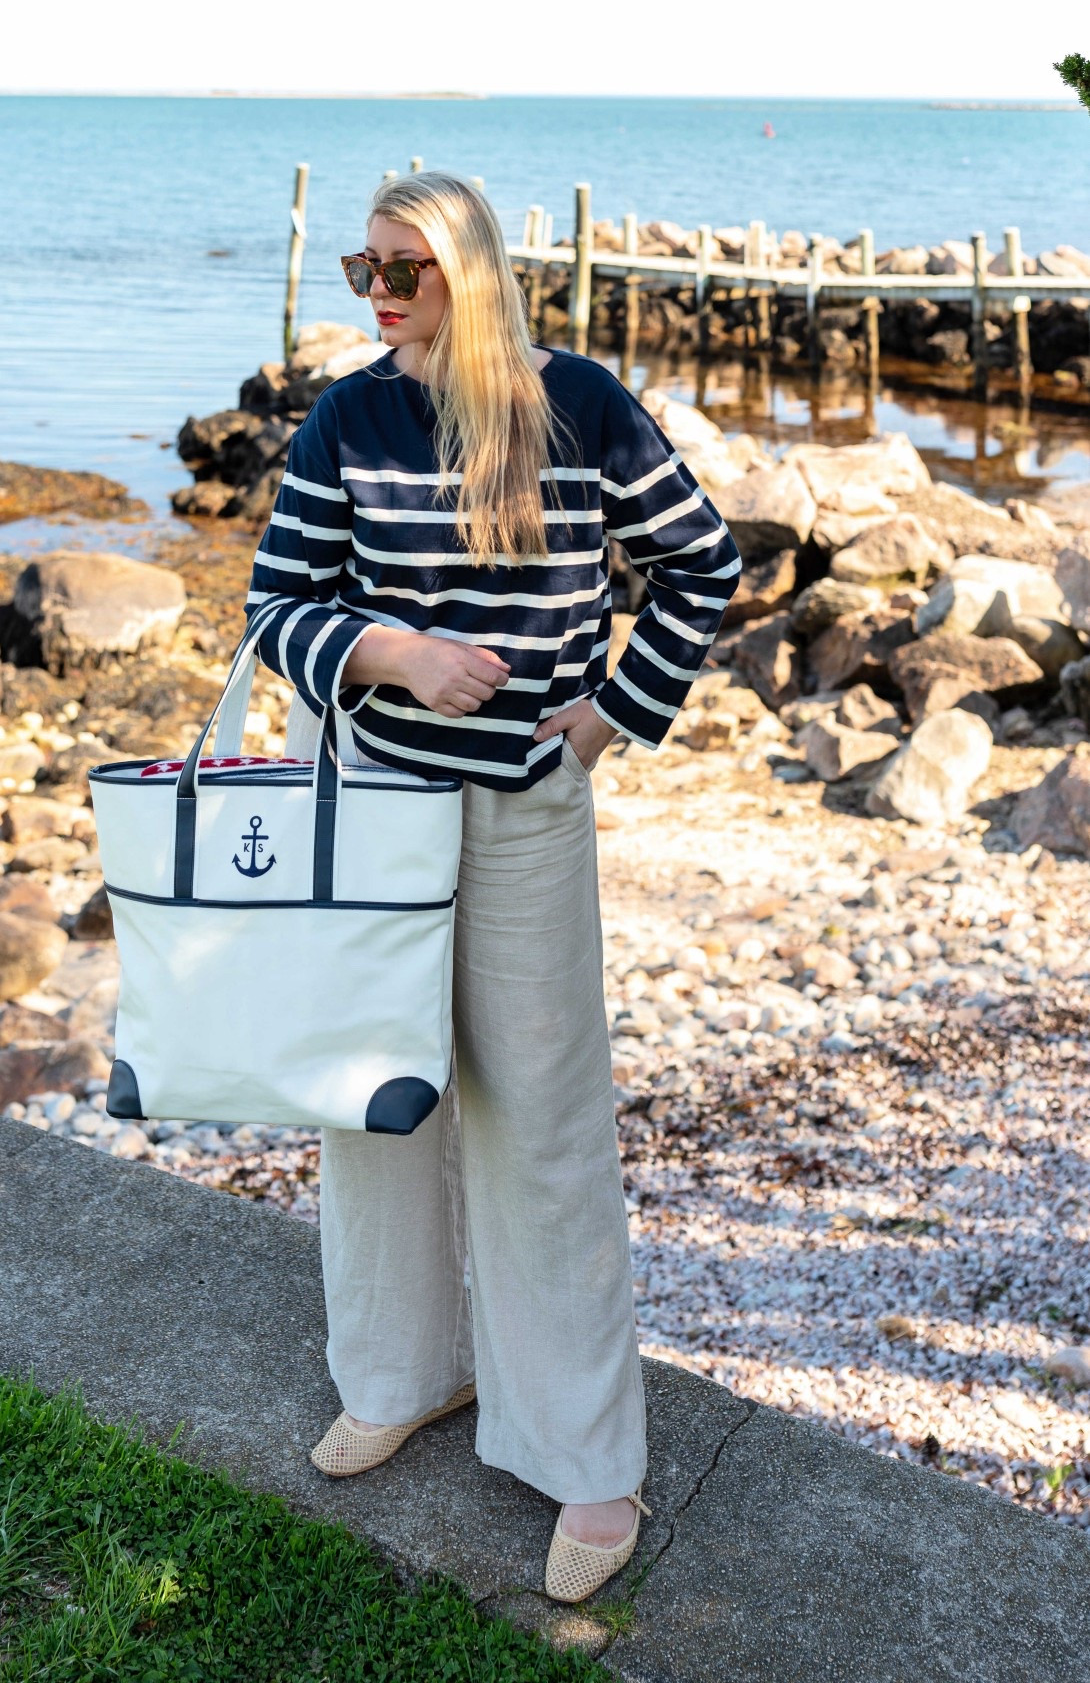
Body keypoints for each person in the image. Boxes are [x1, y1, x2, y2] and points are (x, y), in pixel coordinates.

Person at [245, 172, 740, 1602]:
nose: (381, 291)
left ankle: (587, 1461)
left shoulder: (576, 403)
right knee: (375, 1105)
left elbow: (699, 563)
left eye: (406, 267)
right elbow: (278, 605)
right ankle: (400, 1376)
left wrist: (605, 717)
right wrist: (397, 656)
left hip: (524, 813)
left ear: (472, 272)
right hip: (373, 806)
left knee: (539, 1124)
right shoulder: (349, 416)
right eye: (362, 266)